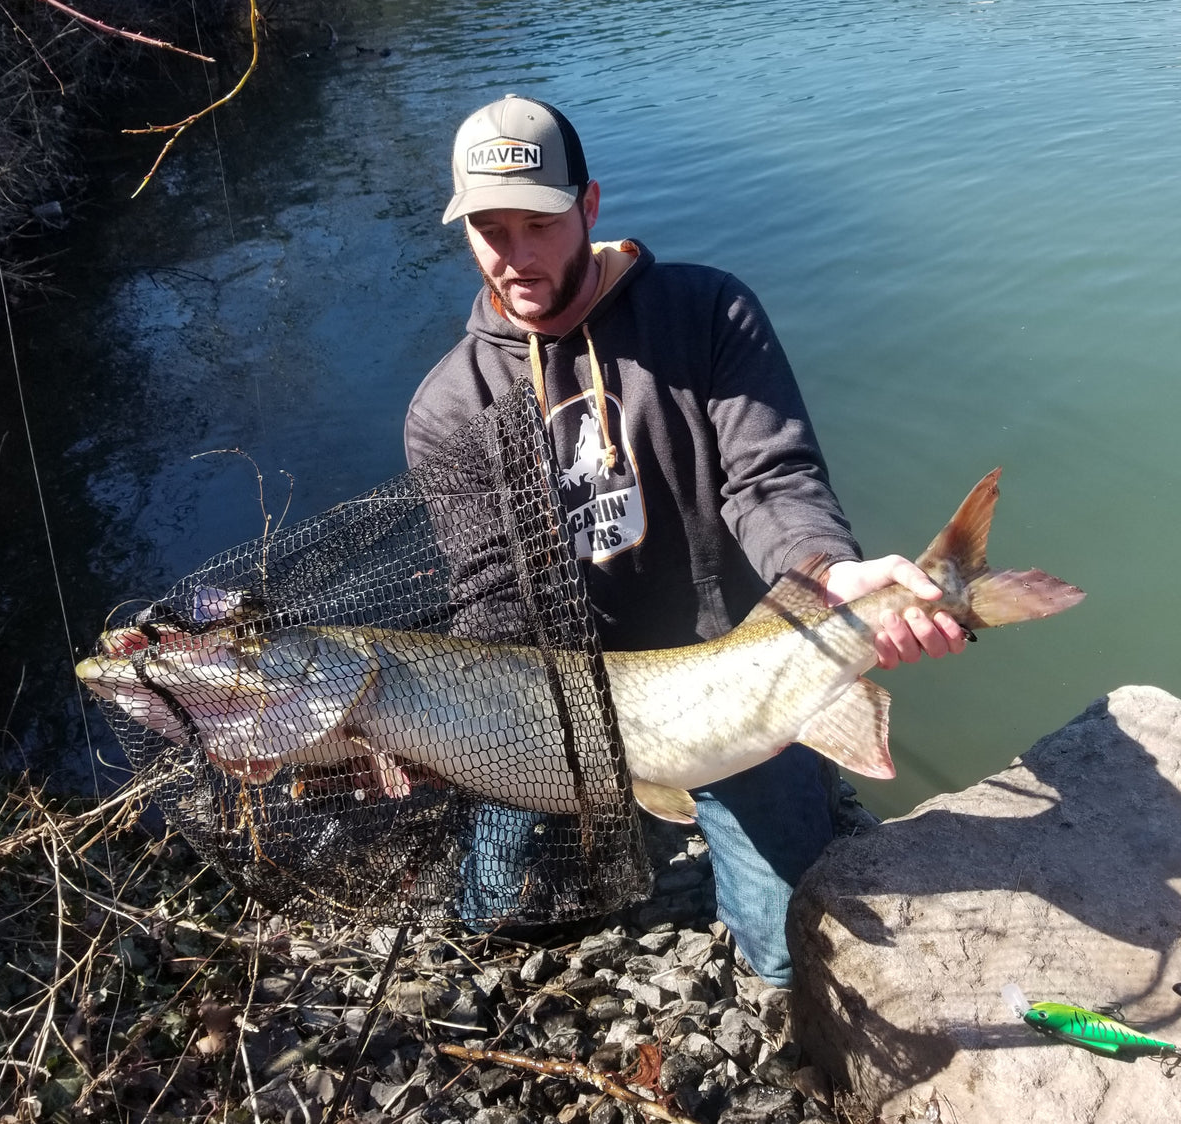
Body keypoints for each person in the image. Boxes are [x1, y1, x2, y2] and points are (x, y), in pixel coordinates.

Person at [404, 94, 967, 986]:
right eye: (488, 228)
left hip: (736, 672)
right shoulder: (448, 410)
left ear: (588, 208)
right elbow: (492, 601)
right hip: (569, 711)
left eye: (537, 223)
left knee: (789, 958)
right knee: (498, 922)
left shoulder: (707, 313)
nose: (513, 257)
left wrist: (834, 574)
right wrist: (440, 738)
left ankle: (786, 783)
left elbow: (771, 481)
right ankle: (622, 817)